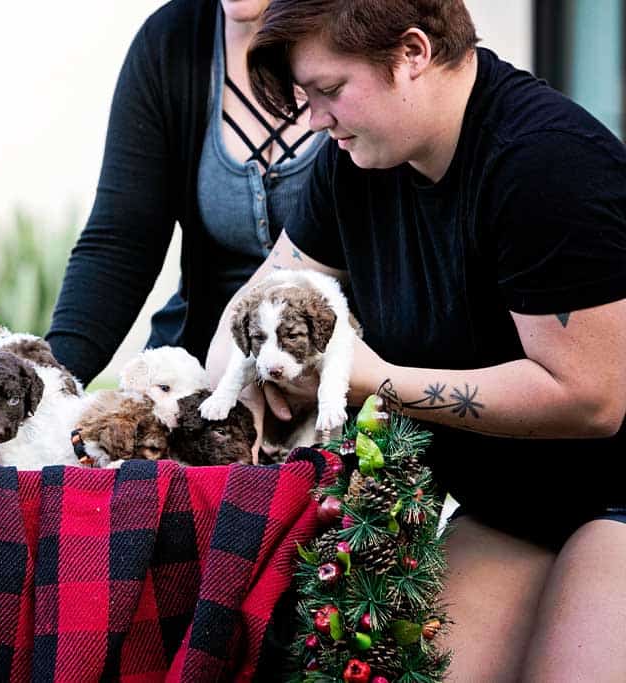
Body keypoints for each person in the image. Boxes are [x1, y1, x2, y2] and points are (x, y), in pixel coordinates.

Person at [203, 0, 626, 679]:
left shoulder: (545, 165)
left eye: (330, 91)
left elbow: (591, 399)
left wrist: (372, 376)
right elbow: (251, 310)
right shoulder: (357, 163)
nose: (315, 119)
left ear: (412, 53)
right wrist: (256, 380)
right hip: (514, 502)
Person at [46, 0, 326, 387]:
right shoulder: (171, 40)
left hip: (344, 379)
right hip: (200, 367)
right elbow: (121, 242)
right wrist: (49, 385)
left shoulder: (369, 31)